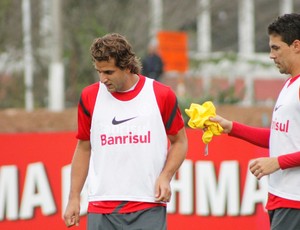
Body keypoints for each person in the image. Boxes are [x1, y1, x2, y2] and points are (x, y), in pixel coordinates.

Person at [63, 33, 188, 230]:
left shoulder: (160, 94)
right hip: (101, 207)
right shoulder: (89, 96)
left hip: (148, 204)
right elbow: (84, 148)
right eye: (99, 72)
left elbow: (180, 142)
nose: (103, 79)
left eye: (109, 72)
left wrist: (165, 176)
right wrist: (74, 197)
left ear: (128, 66)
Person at [210, 13, 300, 230]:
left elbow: (281, 153)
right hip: (282, 198)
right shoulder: (290, 85)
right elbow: (280, 138)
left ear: (296, 45)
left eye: (276, 48)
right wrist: (231, 127)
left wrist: (277, 162)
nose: (271, 55)